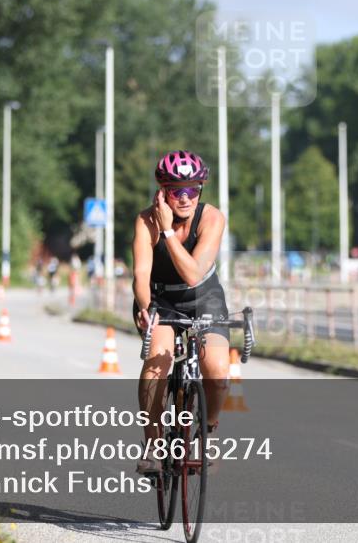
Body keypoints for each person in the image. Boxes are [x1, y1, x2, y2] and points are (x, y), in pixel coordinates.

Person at [131, 150, 229, 473]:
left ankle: (207, 428)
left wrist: (169, 231)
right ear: (163, 192)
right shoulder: (146, 222)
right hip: (161, 299)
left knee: (216, 369)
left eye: (193, 189)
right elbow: (141, 277)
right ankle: (153, 446)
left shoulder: (212, 218)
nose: (186, 198)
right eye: (177, 191)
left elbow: (192, 273)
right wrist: (145, 309)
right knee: (156, 363)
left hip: (204, 297)